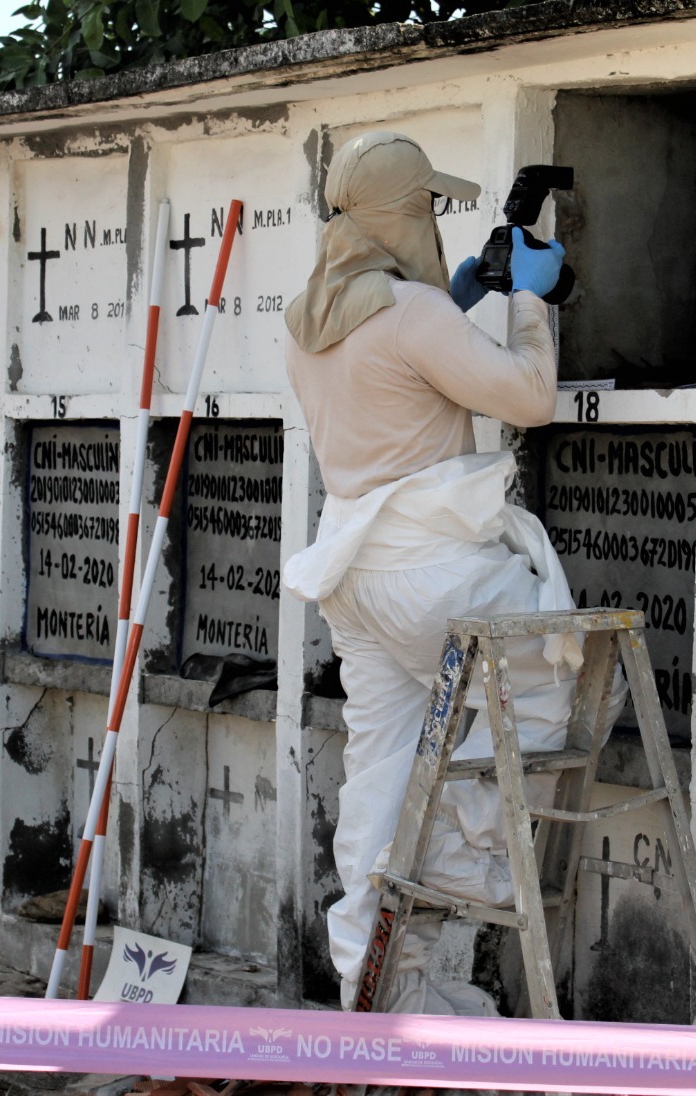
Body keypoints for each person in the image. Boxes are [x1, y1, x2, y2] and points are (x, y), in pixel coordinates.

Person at [282, 130, 624, 1015]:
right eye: (428, 206)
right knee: (554, 677)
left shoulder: (312, 318)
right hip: (433, 574)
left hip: (355, 574)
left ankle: (379, 987)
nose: (434, 219)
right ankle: (440, 904)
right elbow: (529, 399)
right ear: (403, 215)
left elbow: (398, 364)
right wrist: (528, 302)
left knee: (382, 772)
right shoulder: (413, 315)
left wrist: (461, 289)